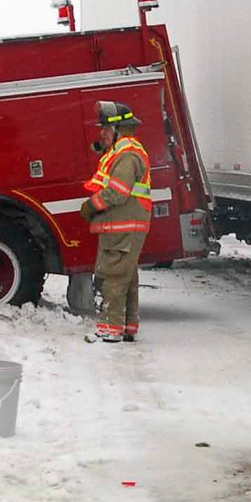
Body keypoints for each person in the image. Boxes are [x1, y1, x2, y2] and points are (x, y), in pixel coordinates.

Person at [80, 100, 152, 343]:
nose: (102, 133)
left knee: (112, 277)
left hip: (123, 226)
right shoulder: (122, 151)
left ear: (120, 130)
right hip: (124, 225)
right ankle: (127, 326)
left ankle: (110, 328)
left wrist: (91, 206)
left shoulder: (127, 155)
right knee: (126, 276)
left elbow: (118, 192)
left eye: (106, 129)